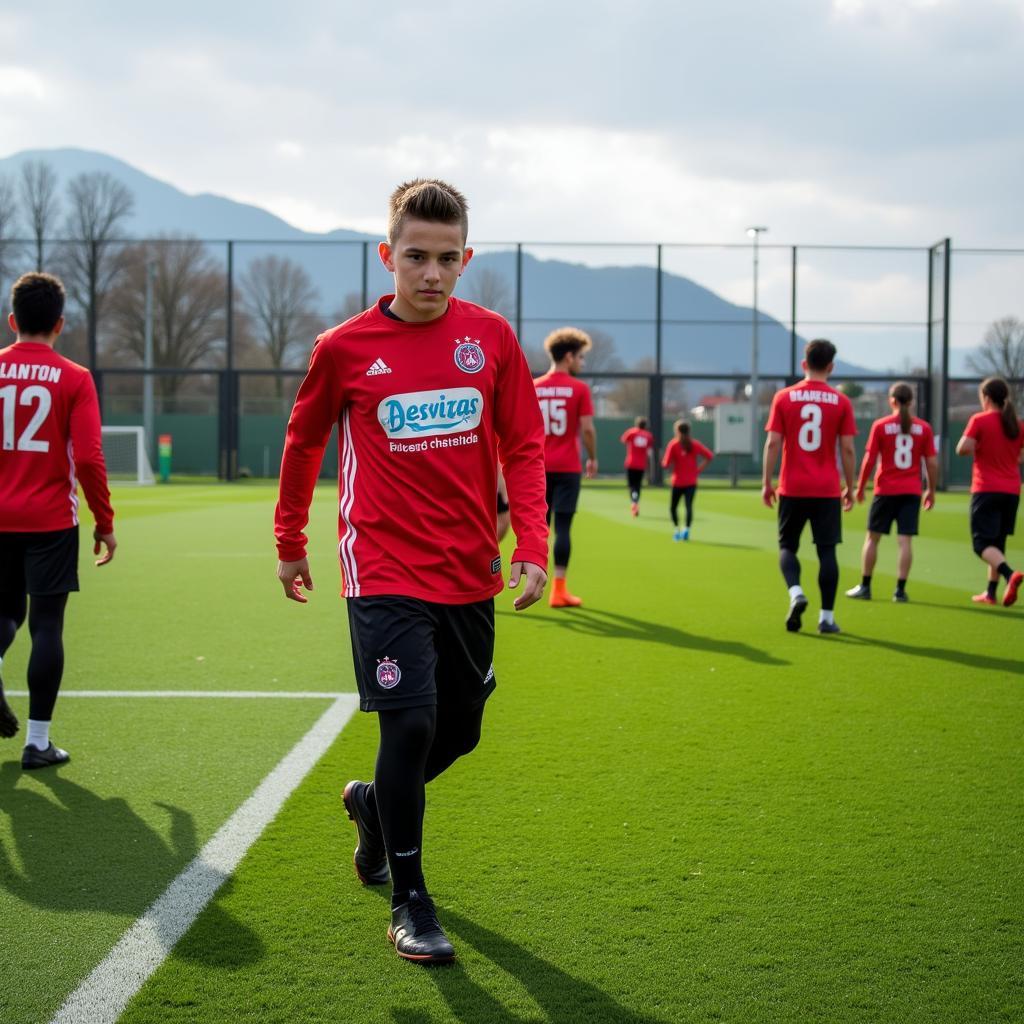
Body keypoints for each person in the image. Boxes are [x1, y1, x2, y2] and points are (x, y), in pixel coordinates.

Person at [274, 179, 548, 965]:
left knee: (459, 730)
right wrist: (289, 537)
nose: (431, 273)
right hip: (382, 564)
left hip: (468, 568)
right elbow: (303, 443)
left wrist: (530, 541)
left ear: (467, 259)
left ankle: (370, 807)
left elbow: (524, 444)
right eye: (416, 257)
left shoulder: (491, 338)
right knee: (412, 721)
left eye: (447, 258)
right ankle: (410, 899)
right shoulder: (344, 348)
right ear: (387, 255)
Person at [0, 272, 116, 768]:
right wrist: (104, 521)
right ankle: (38, 741)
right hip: (49, 520)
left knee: (4, 613)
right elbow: (88, 458)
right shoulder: (73, 377)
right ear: (60, 324)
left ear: (12, 321)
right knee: (47, 626)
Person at [762, 339, 856, 634]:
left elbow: (773, 442)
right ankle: (826, 618)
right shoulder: (841, 402)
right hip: (827, 489)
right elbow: (848, 449)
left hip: (792, 487)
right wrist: (850, 487)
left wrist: (767, 482)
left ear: (804, 364)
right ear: (831, 366)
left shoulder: (784, 397)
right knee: (827, 551)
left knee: (787, 546)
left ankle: (795, 593)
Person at [846, 383, 938, 603]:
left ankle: (866, 586)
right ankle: (900, 590)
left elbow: (869, 459)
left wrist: (860, 487)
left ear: (892, 401)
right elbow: (932, 463)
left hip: (885, 490)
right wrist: (931, 490)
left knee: (872, 539)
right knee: (905, 541)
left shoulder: (881, 425)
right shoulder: (923, 428)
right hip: (911, 491)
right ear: (911, 402)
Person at [533, 327, 597, 607]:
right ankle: (558, 591)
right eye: (581, 357)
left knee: (539, 529)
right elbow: (588, 430)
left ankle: (534, 584)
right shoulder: (579, 389)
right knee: (564, 528)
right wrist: (592, 457)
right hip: (568, 467)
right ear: (569, 357)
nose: (582, 363)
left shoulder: (533, 387)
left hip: (537, 467)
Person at [955, 376, 1024, 607]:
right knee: (997, 541)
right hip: (1012, 490)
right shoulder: (1016, 423)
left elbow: (962, 448)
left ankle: (1009, 574)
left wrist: (979, 447)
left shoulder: (980, 420)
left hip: (986, 488)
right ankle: (991, 593)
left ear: (985, 397)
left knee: (981, 544)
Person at [661, 420, 714, 541]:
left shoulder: (673, 444)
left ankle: (676, 530)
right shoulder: (694, 444)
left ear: (677, 431)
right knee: (688, 506)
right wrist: (698, 470)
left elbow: (666, 463)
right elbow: (709, 456)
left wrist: (663, 463)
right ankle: (687, 529)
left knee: (673, 507)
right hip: (691, 482)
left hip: (677, 482)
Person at [620, 416, 655, 517]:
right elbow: (649, 451)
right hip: (641, 464)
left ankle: (634, 502)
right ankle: (636, 501)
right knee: (638, 485)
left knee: (632, 486)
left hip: (630, 463)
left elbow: (623, 440)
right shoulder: (648, 436)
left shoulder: (631, 432)